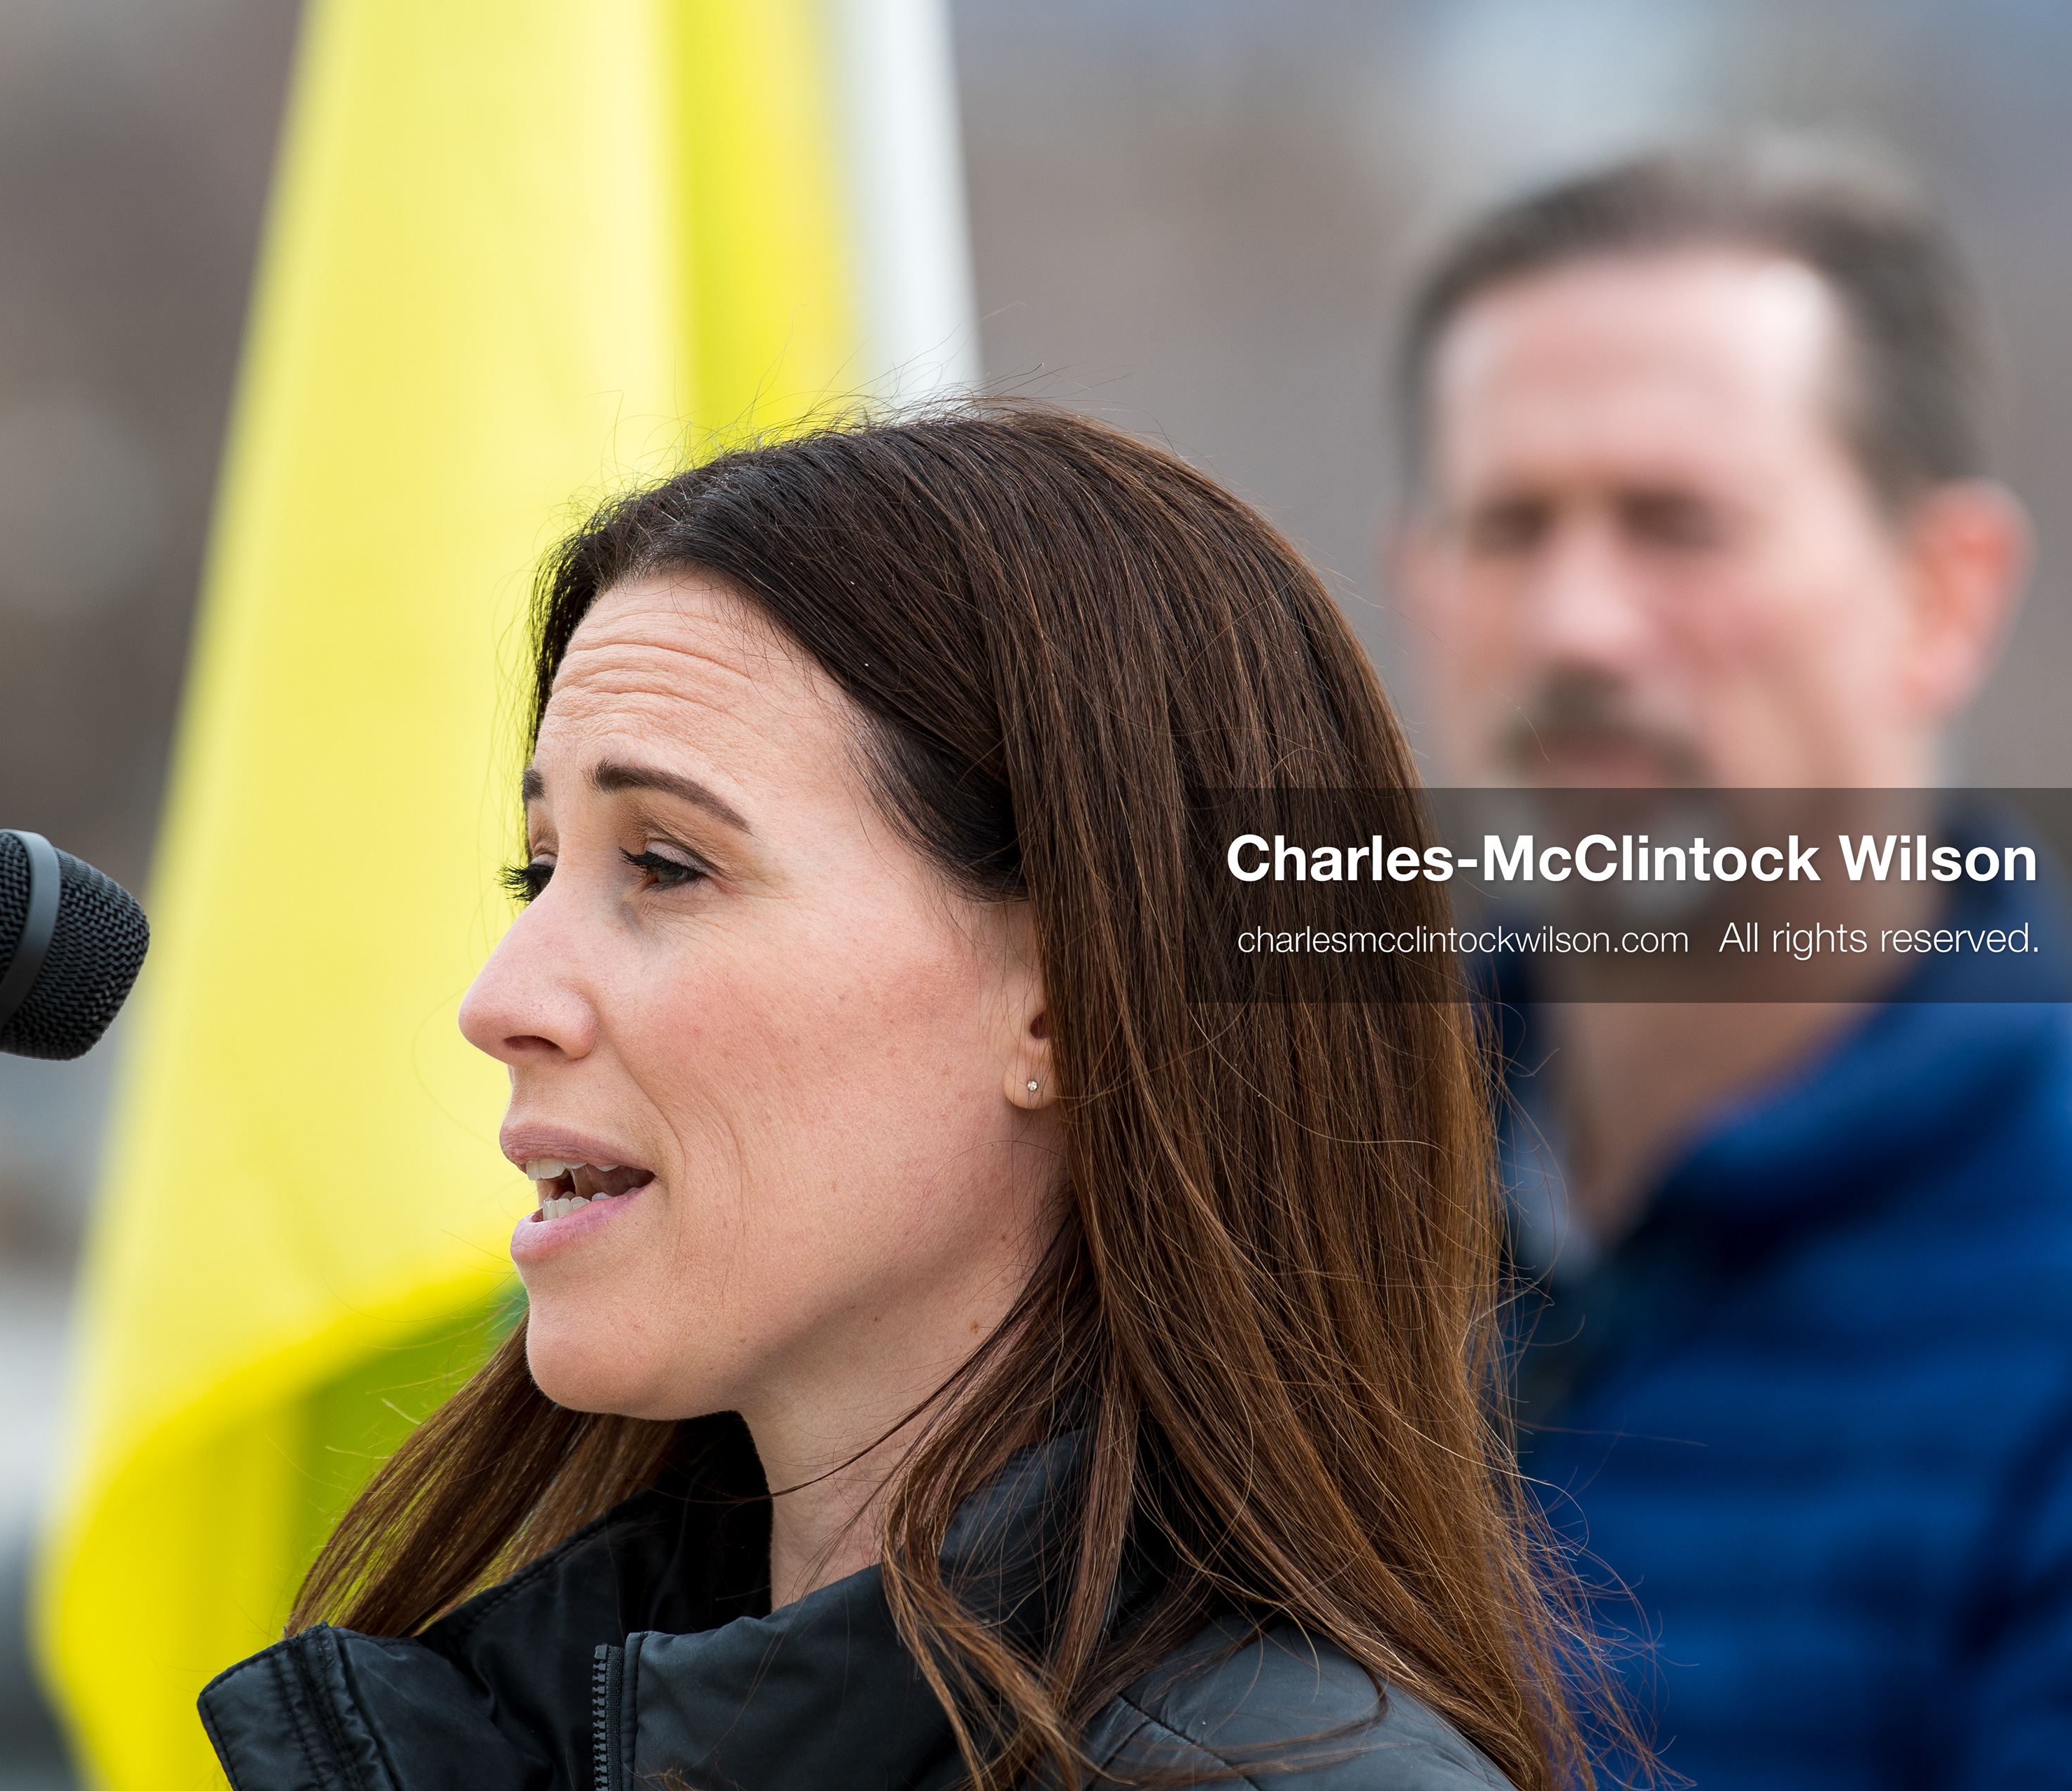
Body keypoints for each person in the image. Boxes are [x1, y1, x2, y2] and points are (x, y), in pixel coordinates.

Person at [190, 406, 1624, 1790]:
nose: (503, 996)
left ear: (1064, 999)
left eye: (666, 864)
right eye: (536, 868)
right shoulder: (545, 1716)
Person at [1390, 143, 2072, 1786]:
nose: (1578, 628)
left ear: (1945, 590)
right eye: (1510, 526)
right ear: (1418, 587)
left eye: (1676, 524)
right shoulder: (1268, 1171)